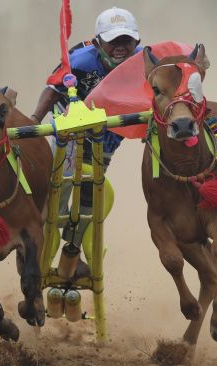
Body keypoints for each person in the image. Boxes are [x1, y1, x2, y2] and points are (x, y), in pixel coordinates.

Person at [30, 7, 142, 275]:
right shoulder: (80, 60)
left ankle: (75, 248)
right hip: (70, 135)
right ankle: (44, 243)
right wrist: (35, 119)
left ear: (136, 41)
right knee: (63, 189)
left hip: (106, 140)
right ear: (98, 41)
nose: (120, 48)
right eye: (113, 41)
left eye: (126, 41)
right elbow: (53, 88)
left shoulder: (144, 63)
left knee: (92, 195)